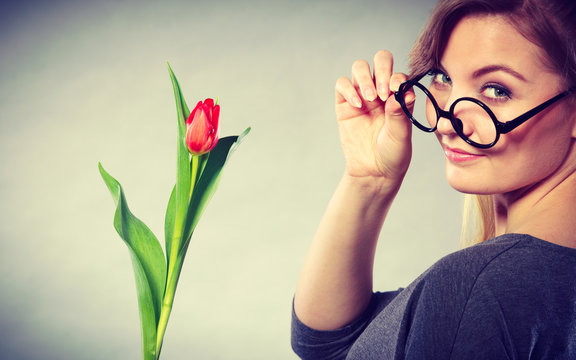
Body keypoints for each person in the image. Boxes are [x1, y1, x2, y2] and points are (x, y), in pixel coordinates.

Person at [291, 0, 576, 359]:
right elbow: (329, 343)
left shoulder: (477, 289)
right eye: (442, 77)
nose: (445, 122)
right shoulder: (511, 287)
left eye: (497, 89)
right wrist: (369, 181)